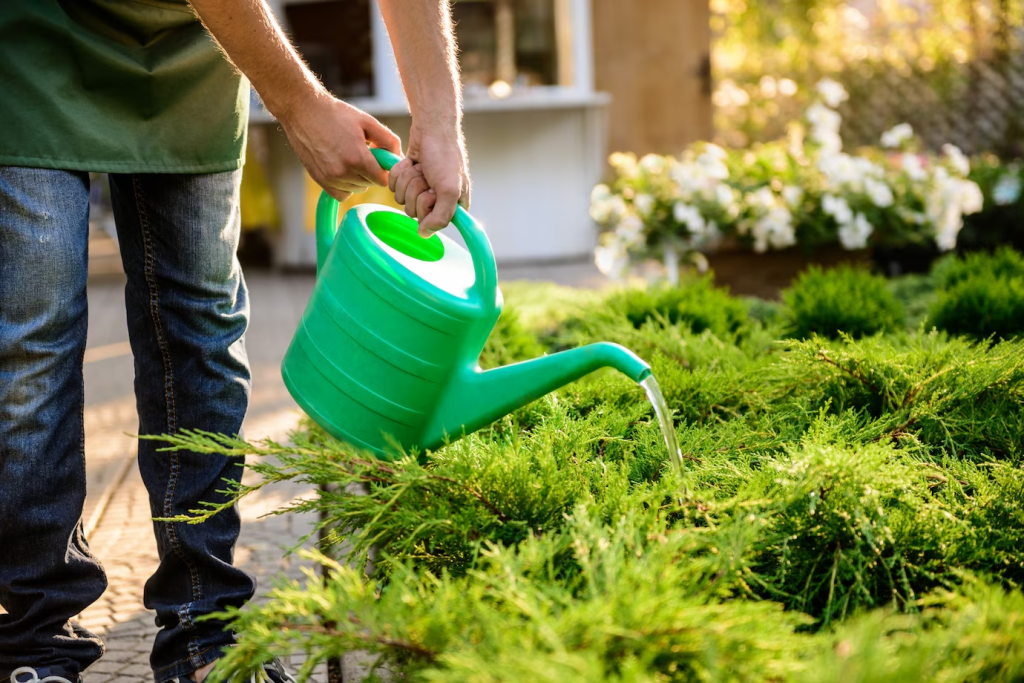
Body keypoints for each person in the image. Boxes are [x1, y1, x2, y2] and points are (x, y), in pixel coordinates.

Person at [0, 1, 469, 681]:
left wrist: (440, 119)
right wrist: (303, 107)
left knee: (201, 330)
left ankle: (206, 631)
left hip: (199, 44)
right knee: (33, 339)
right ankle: (35, 642)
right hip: (34, 32)